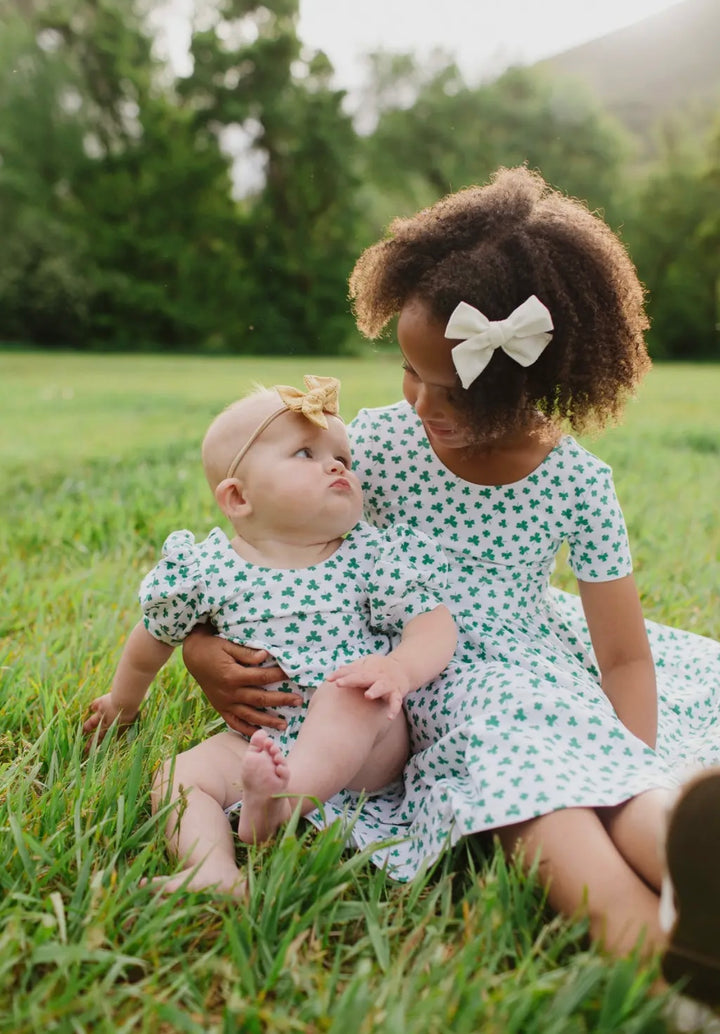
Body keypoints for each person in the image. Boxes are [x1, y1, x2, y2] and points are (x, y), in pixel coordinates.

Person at [183, 167, 720, 1001]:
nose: (420, 401)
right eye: (409, 372)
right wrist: (202, 647)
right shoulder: (377, 447)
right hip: (424, 674)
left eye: (448, 388)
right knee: (545, 798)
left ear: (532, 382)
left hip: (538, 670)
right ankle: (651, 946)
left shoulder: (578, 481)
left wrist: (630, 755)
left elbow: (622, 656)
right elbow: (267, 543)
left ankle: (679, 882)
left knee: (607, 786)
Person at [84, 375, 457, 894]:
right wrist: (123, 703)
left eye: (342, 459)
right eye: (305, 453)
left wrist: (398, 667)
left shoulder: (369, 555)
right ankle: (211, 871)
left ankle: (274, 810)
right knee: (180, 775)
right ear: (238, 498)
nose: (336, 465)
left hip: (364, 754)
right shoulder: (205, 569)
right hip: (261, 744)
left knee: (349, 692)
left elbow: (434, 625)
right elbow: (152, 641)